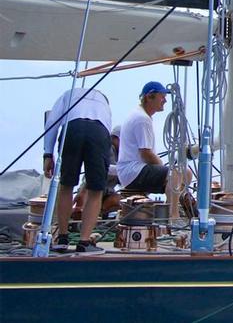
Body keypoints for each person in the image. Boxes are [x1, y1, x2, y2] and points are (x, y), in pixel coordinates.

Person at [42, 86, 112, 253]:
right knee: (95, 190)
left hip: (73, 129)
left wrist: (47, 154)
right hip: (99, 131)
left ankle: (63, 237)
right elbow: (106, 134)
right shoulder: (104, 104)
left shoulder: (68, 93)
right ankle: (84, 241)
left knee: (66, 185)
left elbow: (52, 122)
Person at [117, 81, 192, 218]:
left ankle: (174, 210)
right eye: (161, 97)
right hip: (134, 171)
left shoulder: (140, 115)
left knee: (185, 173)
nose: (165, 100)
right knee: (175, 174)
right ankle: (173, 217)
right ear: (149, 97)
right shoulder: (142, 119)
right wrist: (163, 167)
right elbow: (145, 153)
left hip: (132, 172)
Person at [72, 124, 121, 218]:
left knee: (120, 201)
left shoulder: (119, 155)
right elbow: (107, 169)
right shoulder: (108, 148)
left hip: (106, 193)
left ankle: (96, 215)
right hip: (92, 189)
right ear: (115, 138)